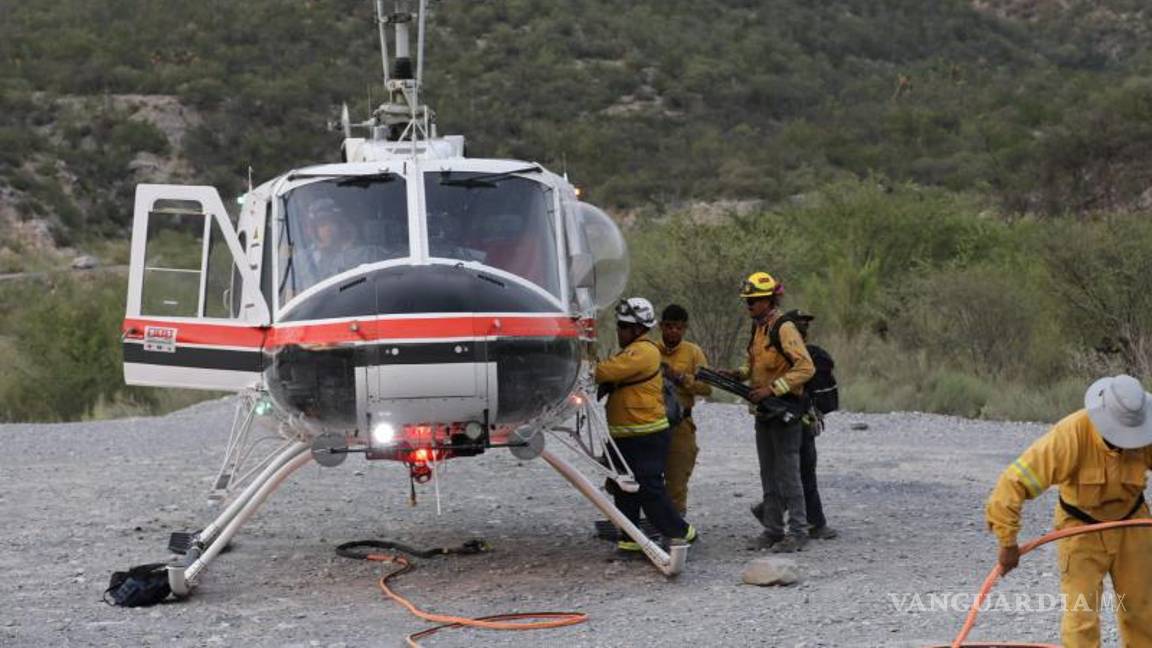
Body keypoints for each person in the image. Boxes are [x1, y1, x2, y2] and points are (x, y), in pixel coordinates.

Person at [985, 374, 1152, 647]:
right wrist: (1007, 542)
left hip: (1133, 526)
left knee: (1143, 613)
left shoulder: (1146, 429)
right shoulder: (1070, 435)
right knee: (1081, 619)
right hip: (1080, 531)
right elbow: (1012, 483)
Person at [596, 297, 697, 552]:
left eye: (623, 327)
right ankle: (630, 540)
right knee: (623, 487)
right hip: (626, 433)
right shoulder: (633, 350)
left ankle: (682, 532)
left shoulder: (643, 351)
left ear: (638, 329)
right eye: (619, 326)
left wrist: (587, 366)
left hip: (645, 434)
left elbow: (605, 371)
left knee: (649, 488)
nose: (619, 331)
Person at [728, 271, 815, 553]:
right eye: (747, 301)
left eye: (753, 300)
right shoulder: (758, 328)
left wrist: (772, 389)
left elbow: (806, 368)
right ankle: (773, 529)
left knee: (788, 474)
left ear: (768, 300)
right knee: (768, 473)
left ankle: (798, 531)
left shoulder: (783, 328)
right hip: (764, 413)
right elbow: (755, 364)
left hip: (784, 411)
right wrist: (737, 374)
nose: (749, 305)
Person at [657, 304, 712, 516]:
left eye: (678, 328)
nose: (673, 331)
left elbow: (706, 388)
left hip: (680, 424)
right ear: (661, 326)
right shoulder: (650, 350)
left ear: (685, 328)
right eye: (669, 326)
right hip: (651, 422)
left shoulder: (693, 352)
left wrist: (680, 377)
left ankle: (676, 526)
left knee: (677, 479)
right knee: (647, 477)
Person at [790, 311, 838, 540]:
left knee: (798, 472)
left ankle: (812, 522)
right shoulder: (809, 356)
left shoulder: (796, 357)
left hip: (799, 420)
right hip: (803, 421)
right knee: (803, 473)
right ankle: (814, 523)